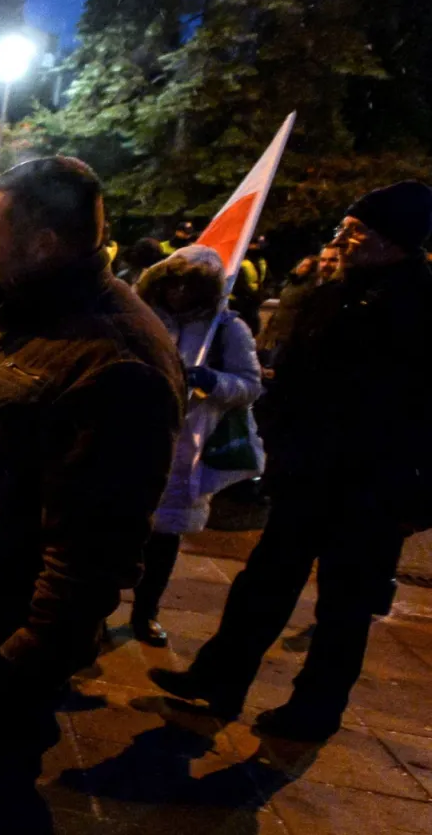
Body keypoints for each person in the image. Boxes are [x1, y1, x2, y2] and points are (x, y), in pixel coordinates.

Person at [0, 157, 184, 834]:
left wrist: (19, 668)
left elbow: (94, 548)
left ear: (43, 242)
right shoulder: (40, 314)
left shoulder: (115, 358)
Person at [151, 182, 432, 742]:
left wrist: (418, 500)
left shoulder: (421, 308)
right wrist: (278, 447)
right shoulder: (333, 296)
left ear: (393, 242)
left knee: (344, 608)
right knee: (265, 583)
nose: (343, 242)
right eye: (344, 231)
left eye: (356, 233)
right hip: (309, 474)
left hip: (374, 489)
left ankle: (314, 711)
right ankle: (219, 678)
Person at [128, 245, 265, 646]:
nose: (180, 292)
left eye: (190, 285)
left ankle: (145, 610)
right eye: (174, 282)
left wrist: (212, 381)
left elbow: (251, 385)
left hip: (187, 442)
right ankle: (99, 609)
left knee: (164, 534)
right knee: (118, 527)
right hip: (136, 434)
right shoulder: (142, 317)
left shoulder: (226, 329)